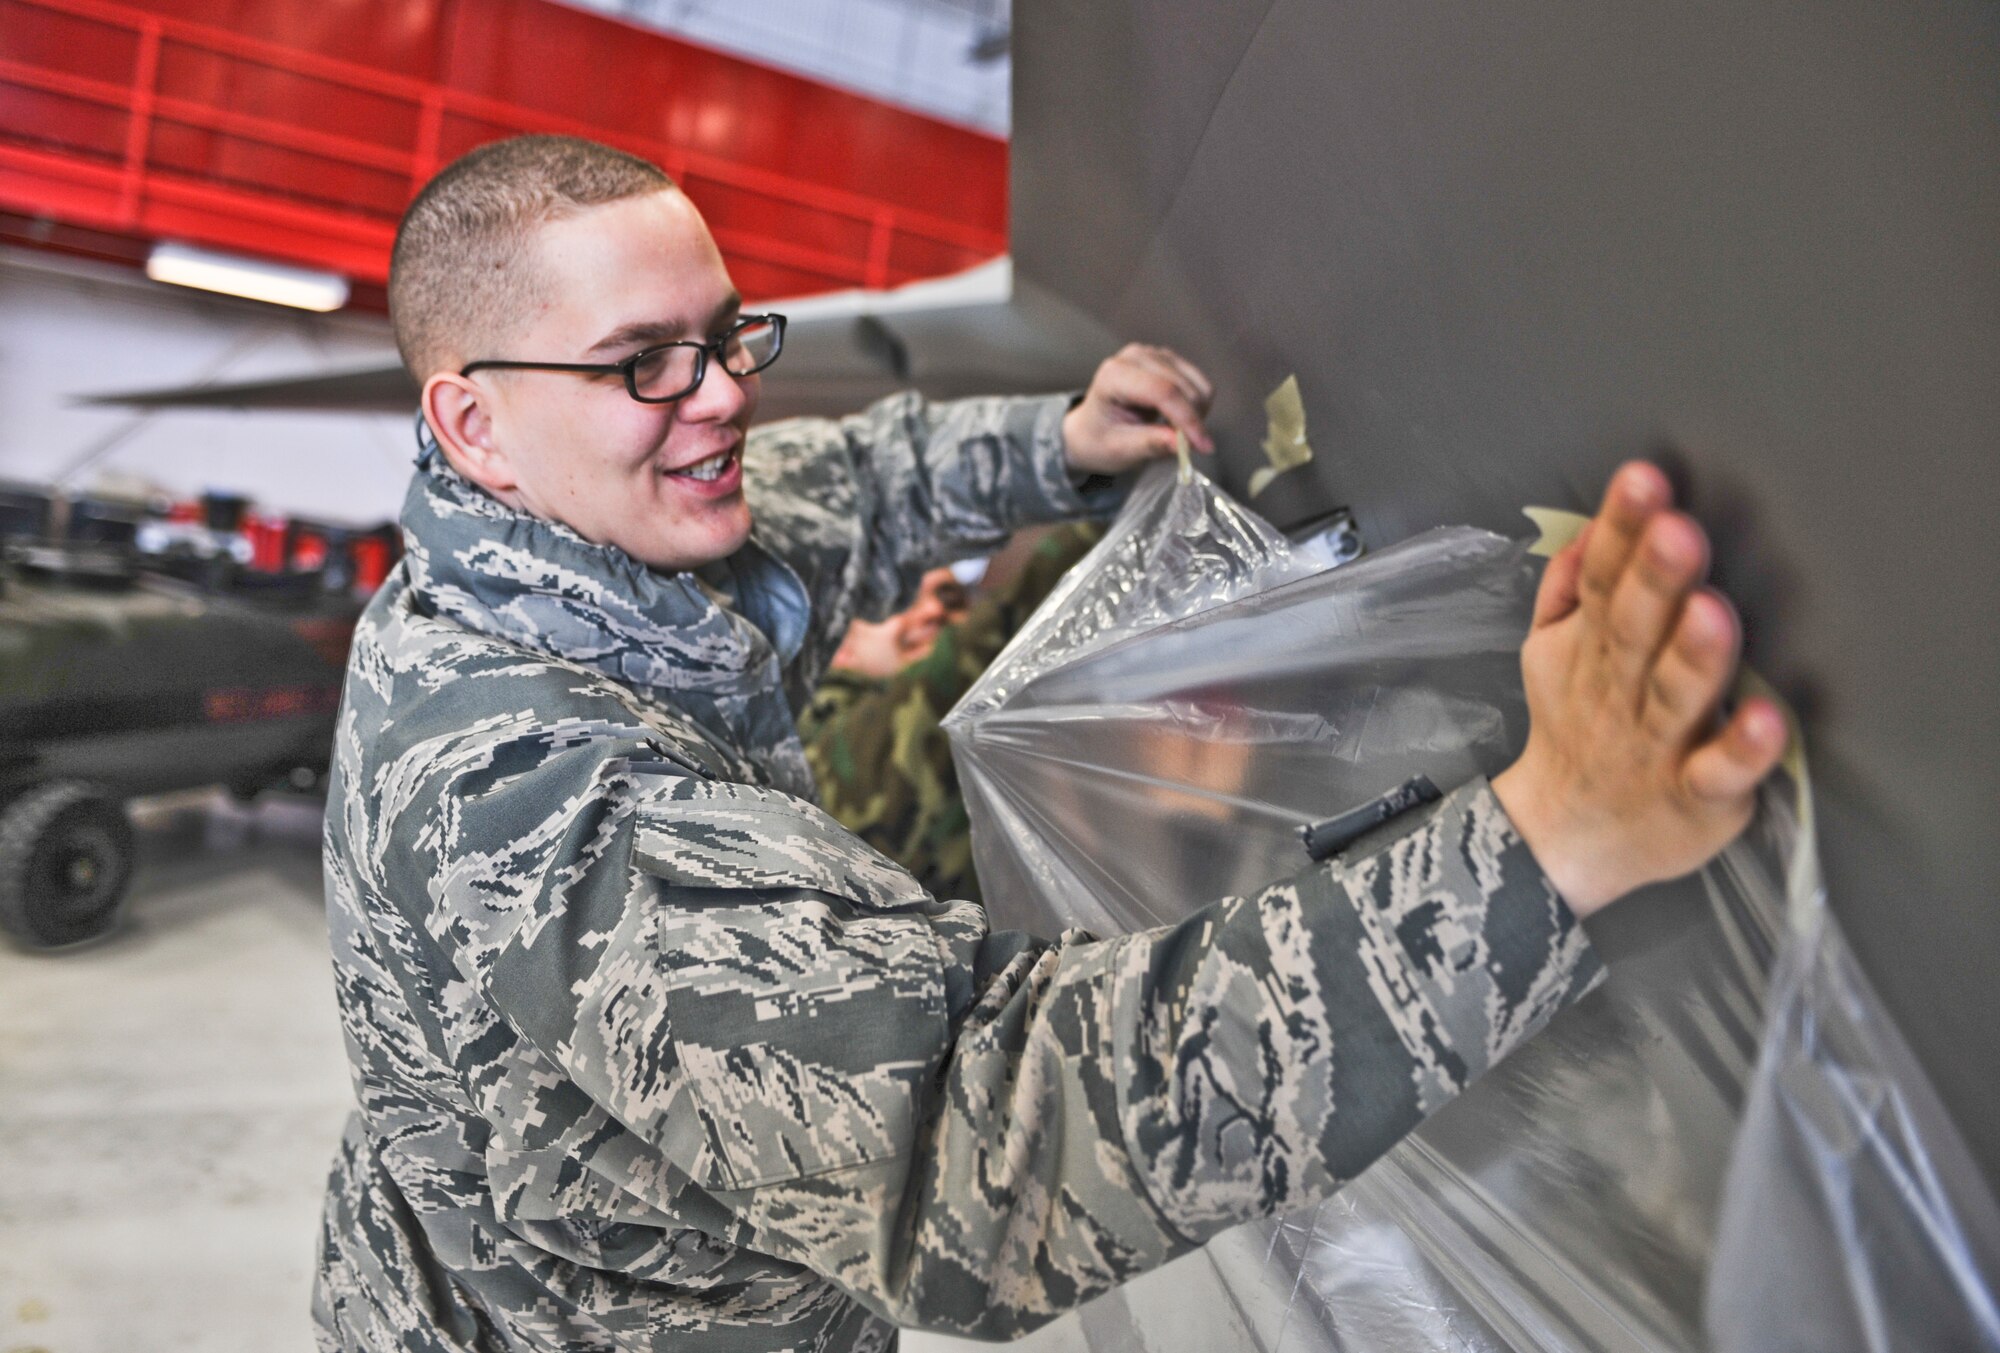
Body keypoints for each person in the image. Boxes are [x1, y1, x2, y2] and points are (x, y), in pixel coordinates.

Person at [314, 134, 1787, 1352]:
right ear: (476, 424)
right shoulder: (537, 788)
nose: (723, 396)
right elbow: (984, 1136)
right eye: (645, 362)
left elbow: (843, 487)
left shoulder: (596, 557)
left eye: (725, 335)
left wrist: (1053, 447)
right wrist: (1542, 848)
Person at [800, 525, 1102, 902]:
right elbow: (967, 655)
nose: (933, 610)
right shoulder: (813, 755)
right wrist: (1093, 528)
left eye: (952, 599)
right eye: (900, 601)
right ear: (839, 645)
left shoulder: (1008, 734)